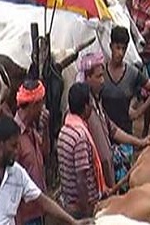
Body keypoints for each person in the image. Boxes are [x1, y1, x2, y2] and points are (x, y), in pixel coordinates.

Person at [0, 116, 88, 225]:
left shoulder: (18, 174)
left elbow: (43, 201)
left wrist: (73, 222)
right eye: (13, 146)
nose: (16, 151)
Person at [80, 52, 150, 188]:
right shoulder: (88, 110)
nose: (102, 81)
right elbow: (105, 156)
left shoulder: (96, 101)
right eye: (98, 76)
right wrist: (111, 186)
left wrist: (139, 142)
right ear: (87, 78)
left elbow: (113, 129)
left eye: (103, 76)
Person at [57, 83, 105, 218]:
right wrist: (86, 211)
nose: (92, 106)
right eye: (90, 103)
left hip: (69, 200)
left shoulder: (65, 129)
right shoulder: (80, 137)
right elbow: (81, 179)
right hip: (80, 206)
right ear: (85, 107)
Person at [104, 26, 150, 138]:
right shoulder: (102, 72)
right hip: (105, 134)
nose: (120, 53)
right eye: (117, 48)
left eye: (124, 49)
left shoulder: (132, 73)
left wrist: (138, 112)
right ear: (111, 46)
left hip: (126, 135)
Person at [14, 80, 49, 225]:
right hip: (25, 216)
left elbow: (45, 153)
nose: (44, 109)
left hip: (39, 211)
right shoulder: (14, 137)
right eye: (41, 104)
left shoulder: (31, 130)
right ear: (34, 105)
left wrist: (45, 129)